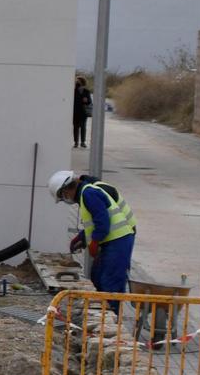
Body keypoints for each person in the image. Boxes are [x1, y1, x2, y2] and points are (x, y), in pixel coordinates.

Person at [48, 170, 136, 308]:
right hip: (113, 241)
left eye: (63, 195)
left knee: (109, 283)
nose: (65, 198)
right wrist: (82, 237)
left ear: (66, 189)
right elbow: (95, 221)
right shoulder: (86, 194)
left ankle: (110, 321)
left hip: (118, 241)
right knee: (97, 277)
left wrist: (94, 242)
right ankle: (105, 315)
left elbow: (103, 223)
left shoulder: (89, 194)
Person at [72, 76, 92, 148]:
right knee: (75, 127)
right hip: (75, 112)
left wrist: (86, 101)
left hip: (83, 112)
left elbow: (89, 101)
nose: (76, 82)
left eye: (78, 81)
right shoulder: (73, 90)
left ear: (82, 82)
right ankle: (76, 142)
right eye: (76, 81)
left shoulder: (86, 91)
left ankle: (83, 142)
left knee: (83, 127)